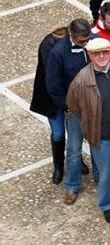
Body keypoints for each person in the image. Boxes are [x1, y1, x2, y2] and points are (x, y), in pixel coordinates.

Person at [65, 38, 110, 222]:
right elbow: (73, 106)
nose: (102, 56)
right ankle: (109, 205)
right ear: (90, 55)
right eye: (97, 53)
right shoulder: (81, 80)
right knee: (106, 174)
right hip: (103, 137)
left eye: (105, 52)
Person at [47, 19, 95, 201]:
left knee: (98, 143)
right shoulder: (58, 53)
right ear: (71, 36)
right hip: (74, 107)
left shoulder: (94, 42)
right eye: (82, 41)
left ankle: (100, 176)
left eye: (87, 40)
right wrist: (66, 107)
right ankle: (73, 185)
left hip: (95, 104)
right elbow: (53, 84)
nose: (86, 44)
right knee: (74, 148)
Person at [32, 26, 71, 184]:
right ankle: (59, 166)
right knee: (58, 133)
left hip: (70, 97)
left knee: (75, 133)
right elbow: (53, 74)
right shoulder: (48, 46)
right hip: (52, 99)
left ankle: (75, 159)